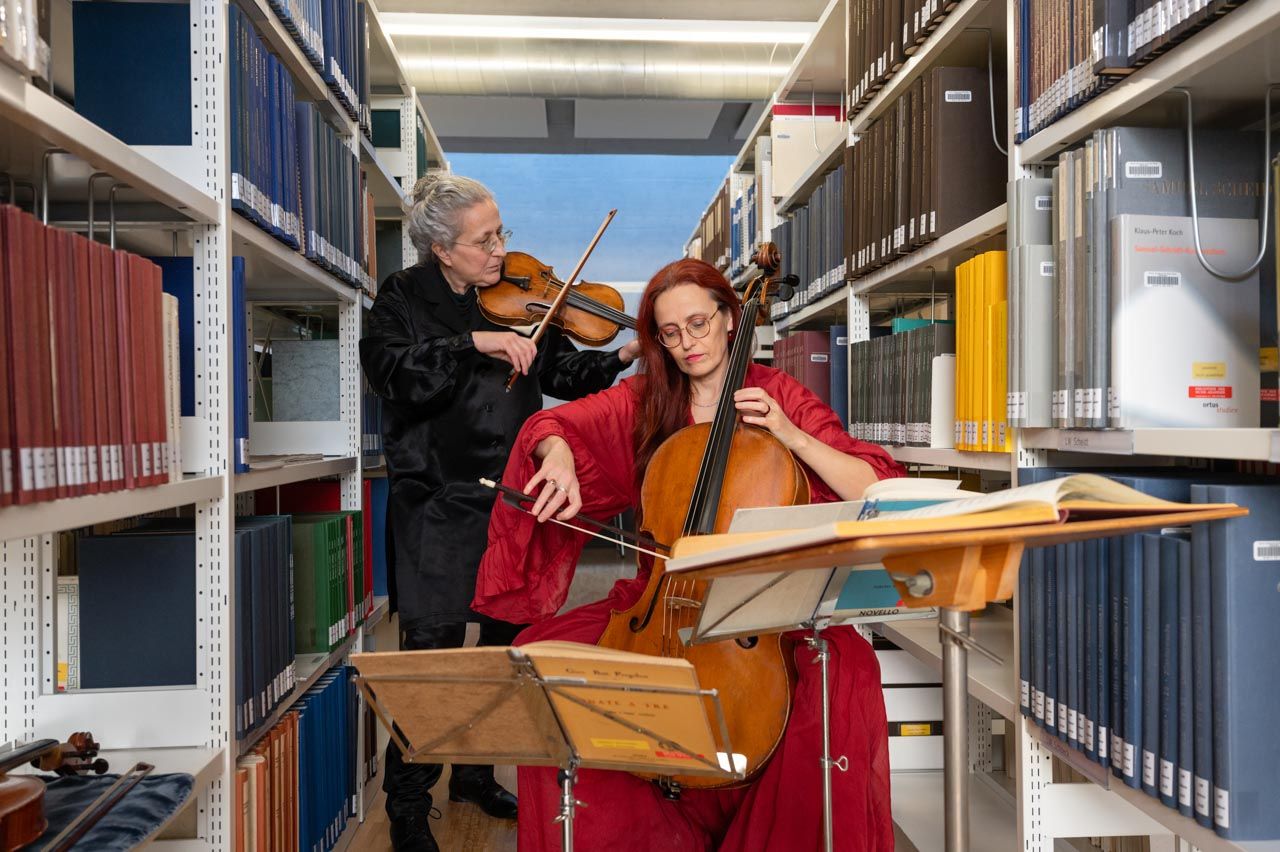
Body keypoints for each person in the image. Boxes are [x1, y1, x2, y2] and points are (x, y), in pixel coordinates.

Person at [475, 258, 905, 851]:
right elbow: (557, 421)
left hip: (759, 616)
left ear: (731, 318)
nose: (687, 344)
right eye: (670, 334)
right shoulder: (649, 396)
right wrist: (559, 456)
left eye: (699, 324)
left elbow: (875, 486)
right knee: (544, 662)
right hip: (659, 606)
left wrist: (792, 436)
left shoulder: (778, 395)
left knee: (843, 676)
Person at [359, 173, 640, 852]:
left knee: (502, 643)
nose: (500, 251)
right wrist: (471, 344)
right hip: (435, 500)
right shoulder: (402, 299)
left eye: (500, 233)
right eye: (485, 240)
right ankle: (407, 805)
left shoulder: (511, 295)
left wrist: (624, 355)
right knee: (431, 657)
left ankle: (476, 776)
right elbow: (397, 378)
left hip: (508, 497)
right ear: (441, 249)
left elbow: (563, 375)